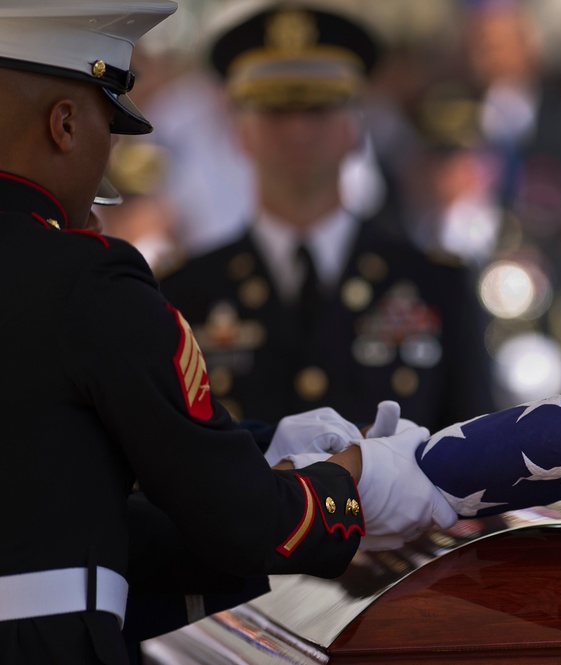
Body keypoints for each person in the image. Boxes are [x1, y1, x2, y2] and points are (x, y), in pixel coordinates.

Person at [0, 2, 454, 662]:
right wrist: (350, 480)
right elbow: (236, 517)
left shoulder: (432, 281)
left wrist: (262, 445)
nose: (110, 162)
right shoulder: (87, 280)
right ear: (65, 124)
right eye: (109, 126)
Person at [159, 0, 495, 430]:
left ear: (355, 128)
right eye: (275, 110)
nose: (298, 130)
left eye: (319, 108)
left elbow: (474, 455)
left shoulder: (435, 284)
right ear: (240, 133)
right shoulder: (185, 295)